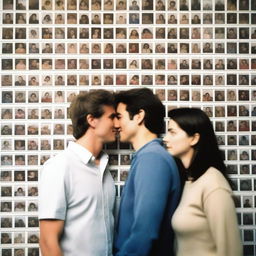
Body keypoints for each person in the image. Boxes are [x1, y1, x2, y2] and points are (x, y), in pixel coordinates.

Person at [39, 90, 117, 256]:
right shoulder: (59, 167)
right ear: (92, 120)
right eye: (112, 117)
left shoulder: (104, 168)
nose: (117, 124)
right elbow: (47, 242)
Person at [163, 108, 242, 256]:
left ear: (194, 138)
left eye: (172, 132)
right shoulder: (189, 180)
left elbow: (232, 251)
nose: (165, 138)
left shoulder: (213, 184)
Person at [113, 88, 181, 256]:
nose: (115, 124)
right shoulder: (148, 156)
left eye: (119, 117)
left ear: (139, 116)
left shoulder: (152, 159)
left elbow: (145, 232)